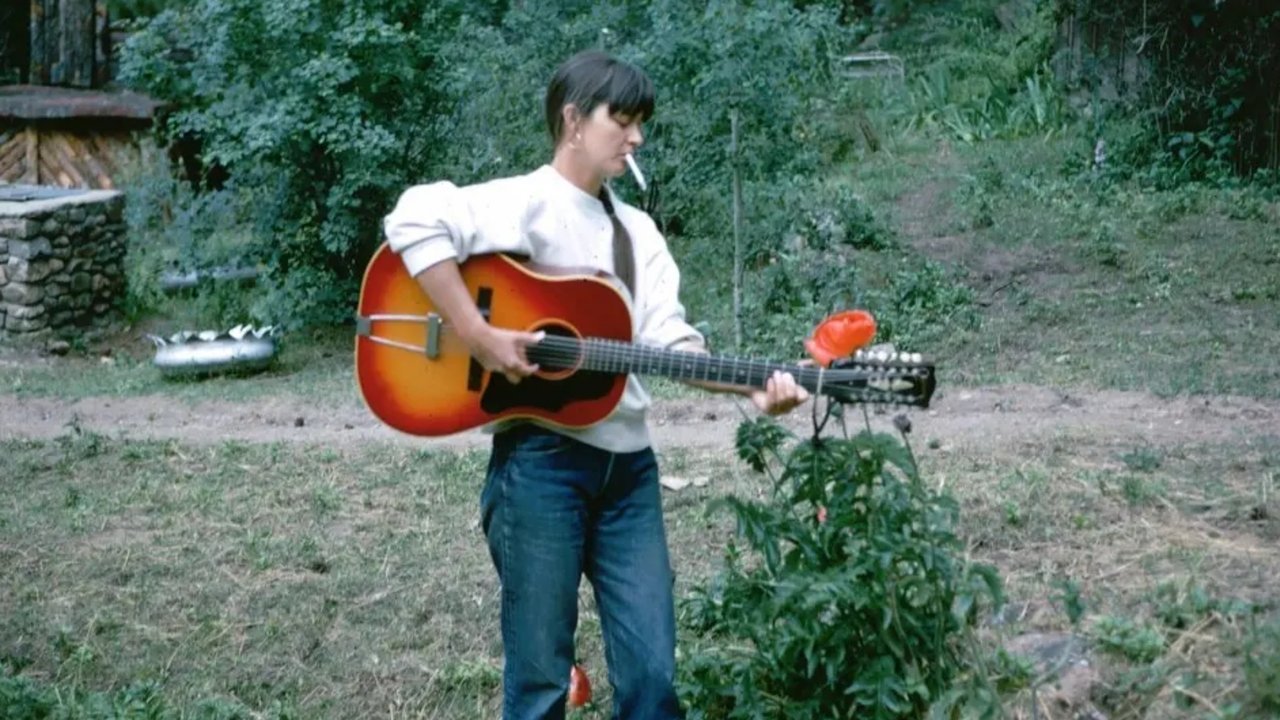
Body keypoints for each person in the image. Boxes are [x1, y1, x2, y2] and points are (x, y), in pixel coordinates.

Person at [382, 49, 809, 720]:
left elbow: (670, 341)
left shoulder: (636, 232)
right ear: (574, 120)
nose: (637, 137)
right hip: (541, 467)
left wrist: (753, 388)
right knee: (540, 684)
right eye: (623, 120)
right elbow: (411, 220)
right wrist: (478, 334)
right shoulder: (522, 201)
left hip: (628, 474)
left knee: (652, 681)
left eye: (642, 123)